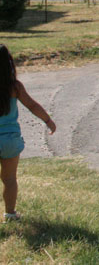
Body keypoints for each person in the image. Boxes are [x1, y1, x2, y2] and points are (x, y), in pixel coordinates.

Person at [0, 44, 56, 222]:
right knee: (9, 179)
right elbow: (32, 105)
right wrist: (48, 120)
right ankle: (10, 214)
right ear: (9, 64)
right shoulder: (15, 87)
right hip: (10, 140)